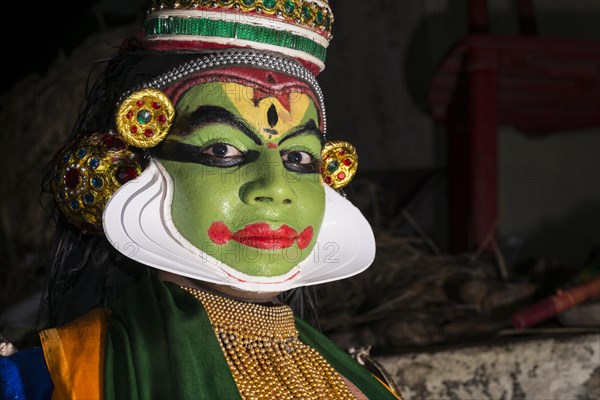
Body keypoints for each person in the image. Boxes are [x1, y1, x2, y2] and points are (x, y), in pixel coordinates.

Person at [1, 0, 400, 398]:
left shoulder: (362, 380)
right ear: (134, 169)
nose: (276, 188)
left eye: (298, 158)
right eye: (223, 150)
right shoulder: (46, 380)